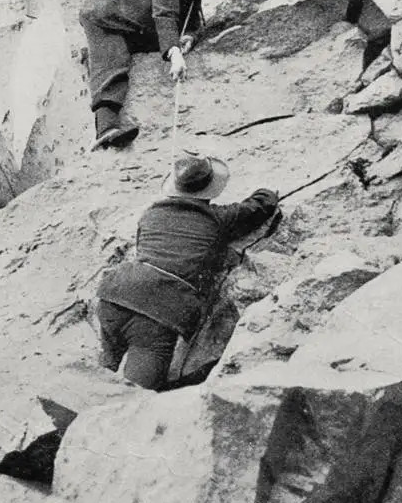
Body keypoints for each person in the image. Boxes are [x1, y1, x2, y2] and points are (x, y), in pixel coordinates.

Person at [94, 152, 279, 391]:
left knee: (101, 375)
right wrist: (268, 193)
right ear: (210, 189)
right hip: (157, 314)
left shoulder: (151, 213)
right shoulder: (217, 219)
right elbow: (258, 208)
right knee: (135, 396)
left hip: (113, 296)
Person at [79, 0, 235, 150]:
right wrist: (175, 54)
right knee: (113, 61)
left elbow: (193, 23)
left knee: (128, 52)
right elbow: (164, 15)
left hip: (136, 24)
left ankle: (106, 124)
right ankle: (106, 129)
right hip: (103, 13)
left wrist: (190, 36)